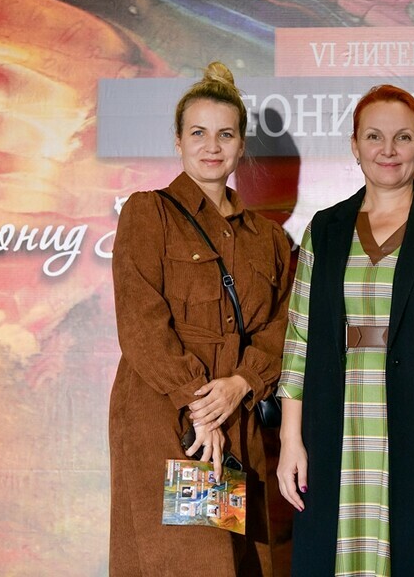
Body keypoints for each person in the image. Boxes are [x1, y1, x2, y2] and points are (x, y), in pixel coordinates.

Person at [276, 84, 414, 576]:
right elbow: (298, 342)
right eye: (374, 136)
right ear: (355, 146)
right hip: (338, 429)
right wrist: (292, 439)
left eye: (403, 137)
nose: (388, 150)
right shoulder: (323, 230)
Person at [108, 61, 292, 576]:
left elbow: (284, 326)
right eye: (198, 133)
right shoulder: (148, 212)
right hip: (169, 419)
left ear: (241, 145)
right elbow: (141, 320)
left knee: (234, 560)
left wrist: (242, 383)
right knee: (185, 560)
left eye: (225, 134)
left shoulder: (269, 239)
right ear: (178, 141)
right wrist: (199, 405)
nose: (212, 146)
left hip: (233, 419)